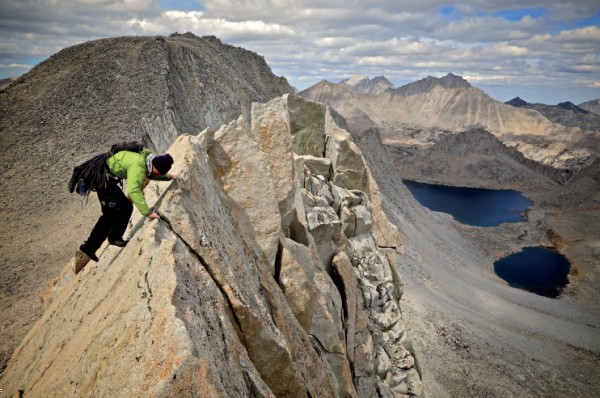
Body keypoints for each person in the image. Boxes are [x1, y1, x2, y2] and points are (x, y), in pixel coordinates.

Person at [79, 149, 176, 262]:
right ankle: (90, 246)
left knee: (126, 207)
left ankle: (114, 237)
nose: (157, 174)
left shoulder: (149, 159)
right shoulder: (139, 166)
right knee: (110, 215)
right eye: (158, 172)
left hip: (105, 177)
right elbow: (134, 190)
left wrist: (169, 177)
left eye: (160, 174)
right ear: (154, 165)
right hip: (101, 178)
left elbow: (150, 174)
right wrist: (148, 213)